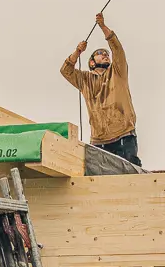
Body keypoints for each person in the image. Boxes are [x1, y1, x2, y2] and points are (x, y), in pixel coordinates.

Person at [60, 13, 141, 167]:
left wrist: (103, 26)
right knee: (99, 181)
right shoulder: (84, 80)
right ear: (91, 63)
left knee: (130, 178)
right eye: (100, 53)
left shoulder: (117, 72)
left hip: (124, 135)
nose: (105, 55)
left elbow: (117, 49)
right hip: (99, 141)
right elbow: (66, 70)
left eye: (106, 54)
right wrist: (77, 52)